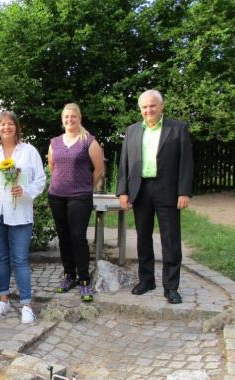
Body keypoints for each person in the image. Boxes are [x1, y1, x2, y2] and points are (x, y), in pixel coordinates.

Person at [116, 89, 193, 304]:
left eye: (152, 106)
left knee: (170, 239)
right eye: (144, 107)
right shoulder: (132, 131)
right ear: (140, 109)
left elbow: (186, 162)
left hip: (167, 189)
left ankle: (171, 287)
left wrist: (184, 191)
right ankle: (147, 280)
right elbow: (124, 164)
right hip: (140, 190)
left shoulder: (177, 129)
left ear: (161, 106)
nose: (148, 110)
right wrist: (122, 191)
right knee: (143, 238)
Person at [0, 111, 46, 324]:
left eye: (10, 124)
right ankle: (3, 300)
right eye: (2, 124)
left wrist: (25, 190)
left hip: (20, 213)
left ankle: (26, 304)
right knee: (1, 259)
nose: (6, 128)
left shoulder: (29, 151)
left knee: (20, 259)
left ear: (16, 127)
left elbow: (40, 180)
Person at [47, 103, 104, 302]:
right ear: (62, 120)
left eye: (73, 117)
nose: (69, 120)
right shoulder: (54, 142)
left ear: (79, 118)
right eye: (66, 117)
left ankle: (84, 280)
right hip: (57, 196)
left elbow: (98, 169)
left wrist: (86, 186)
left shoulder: (89, 141)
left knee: (78, 237)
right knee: (63, 237)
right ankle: (68, 275)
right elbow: (53, 167)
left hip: (80, 197)